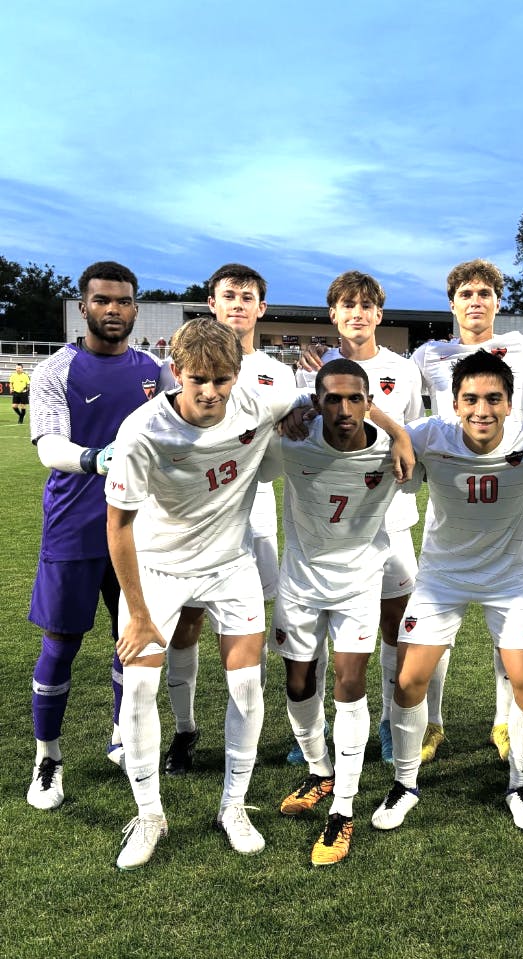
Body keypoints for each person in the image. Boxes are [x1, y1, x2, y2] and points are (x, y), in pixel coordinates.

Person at [106, 317, 311, 868]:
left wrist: (394, 431)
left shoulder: (258, 402)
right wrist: (140, 616)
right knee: (140, 690)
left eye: (221, 379)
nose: (210, 391)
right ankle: (149, 815)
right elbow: (118, 527)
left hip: (229, 565)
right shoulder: (143, 430)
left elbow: (323, 394)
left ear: (238, 375)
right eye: (198, 378)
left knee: (247, 685)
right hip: (158, 569)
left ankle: (233, 805)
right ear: (176, 373)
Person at [371, 350, 523, 833]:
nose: (482, 410)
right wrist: (391, 427)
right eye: (471, 399)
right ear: (454, 404)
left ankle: (521, 784)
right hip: (442, 579)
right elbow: (381, 435)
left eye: (493, 399)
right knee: (409, 680)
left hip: (509, 580)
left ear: (510, 403)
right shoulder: (430, 435)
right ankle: (405, 783)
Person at [26, 261, 171, 811]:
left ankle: (121, 734)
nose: (114, 310)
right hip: (75, 525)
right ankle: (48, 758)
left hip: (140, 526)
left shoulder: (156, 369)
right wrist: (95, 458)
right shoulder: (55, 370)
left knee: (131, 634)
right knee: (61, 643)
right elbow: (48, 447)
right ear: (83, 306)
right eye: (103, 301)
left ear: (135, 308)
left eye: (124, 301)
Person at [265, 358, 404, 865]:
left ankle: (342, 809)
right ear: (315, 401)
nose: (344, 409)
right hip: (300, 585)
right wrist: (291, 409)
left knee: (349, 685)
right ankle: (320, 770)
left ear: (369, 401)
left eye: (355, 398)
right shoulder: (293, 442)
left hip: (359, 584)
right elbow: (251, 417)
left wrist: (399, 431)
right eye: (332, 399)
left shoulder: (393, 450)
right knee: (299, 686)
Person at [162, 263, 296, 776]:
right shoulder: (174, 367)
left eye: (248, 296)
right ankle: (185, 729)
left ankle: (247, 739)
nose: (237, 303)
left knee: (249, 633)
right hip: (190, 525)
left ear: (261, 308)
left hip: (253, 518)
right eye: (228, 295)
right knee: (186, 626)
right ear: (211, 304)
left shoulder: (279, 375)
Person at [295, 271, 424, 769]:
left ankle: (392, 723)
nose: (357, 313)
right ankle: (320, 726)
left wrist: (398, 436)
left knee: (396, 619)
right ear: (333, 314)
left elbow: (407, 432)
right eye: (347, 305)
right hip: (328, 519)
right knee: (323, 623)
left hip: (389, 515)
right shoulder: (314, 370)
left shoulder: (403, 370)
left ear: (379, 315)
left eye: (367, 305)